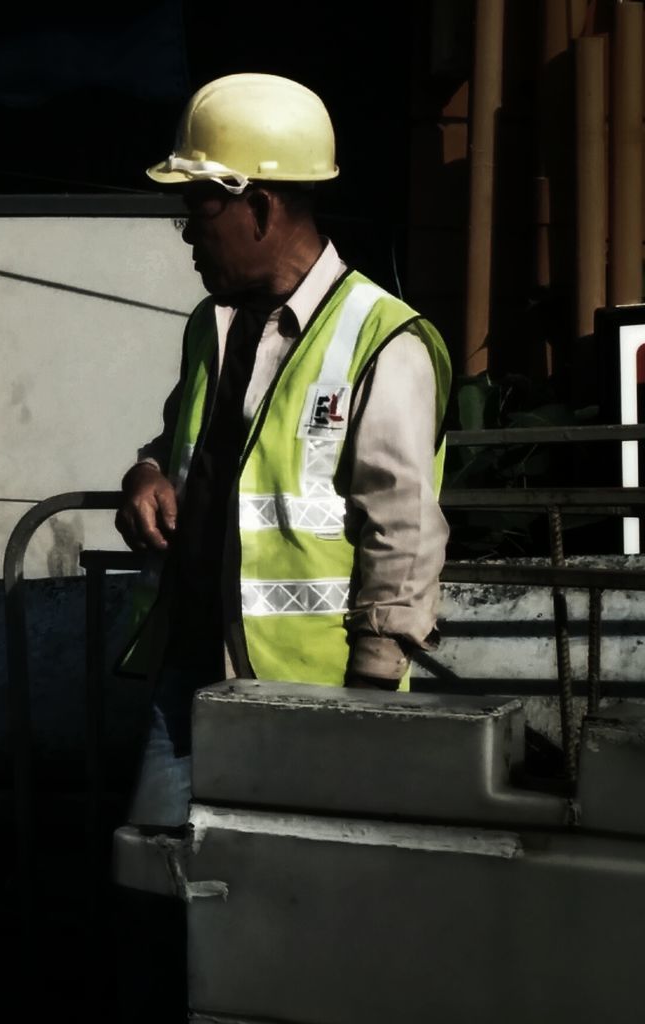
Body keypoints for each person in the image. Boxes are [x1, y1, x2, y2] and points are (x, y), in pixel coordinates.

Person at [115, 73, 452, 828]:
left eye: (198, 207)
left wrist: (371, 694)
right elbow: (182, 443)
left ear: (259, 206)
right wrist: (145, 473)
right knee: (158, 876)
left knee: (287, 900)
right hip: (192, 668)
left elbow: (403, 531)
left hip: (315, 693)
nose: (186, 232)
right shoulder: (212, 326)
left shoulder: (381, 339)